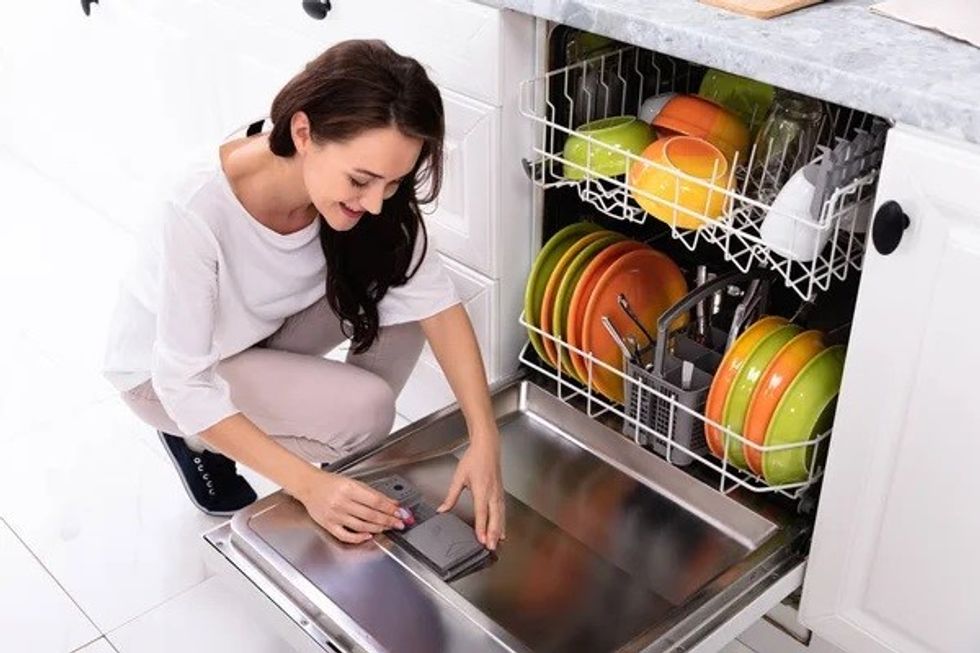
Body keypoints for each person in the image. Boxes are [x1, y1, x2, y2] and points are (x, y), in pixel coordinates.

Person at [103, 39, 505, 551]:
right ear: (303, 132)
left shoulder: (355, 194)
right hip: (163, 374)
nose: (377, 203)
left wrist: (484, 436)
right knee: (367, 411)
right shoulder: (196, 209)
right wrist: (309, 486)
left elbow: (438, 305)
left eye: (393, 183)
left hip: (250, 334)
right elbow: (183, 381)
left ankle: (337, 448)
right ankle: (202, 437)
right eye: (361, 180)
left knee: (401, 293)